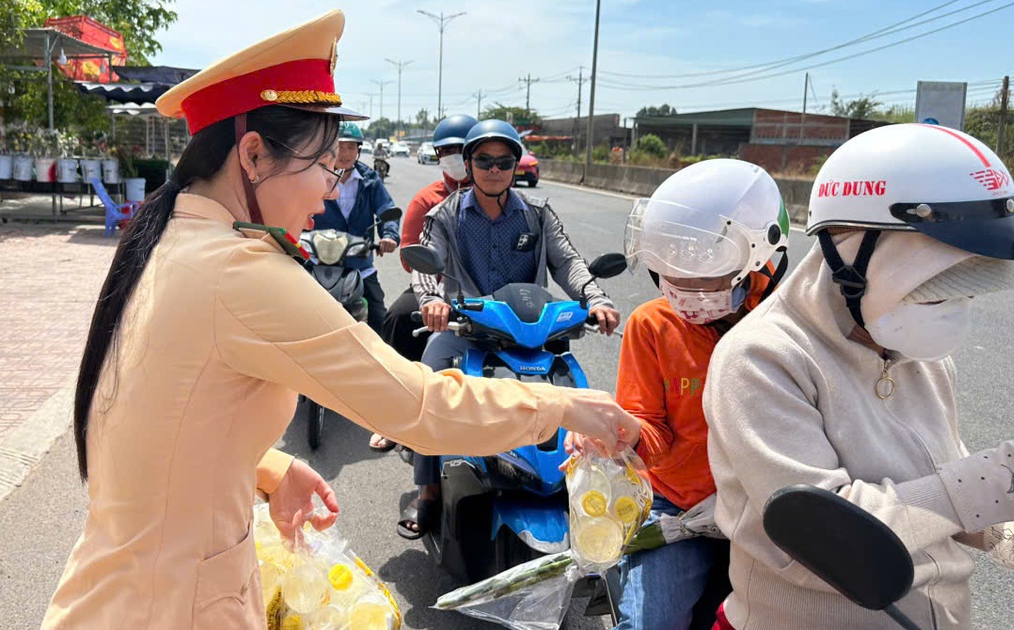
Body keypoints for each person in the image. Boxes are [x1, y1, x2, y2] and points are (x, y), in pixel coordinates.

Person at [41, 11, 639, 629]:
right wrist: (564, 408)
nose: (329, 192)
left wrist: (268, 468)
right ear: (252, 154)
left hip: (124, 591)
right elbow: (419, 408)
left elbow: (166, 425)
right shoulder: (239, 271)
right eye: (325, 165)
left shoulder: (175, 240)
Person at [703, 124, 1014, 630]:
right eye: (937, 284)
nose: (951, 308)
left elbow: (943, 485)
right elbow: (830, 537)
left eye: (969, 286)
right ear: (847, 252)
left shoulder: (919, 351)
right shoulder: (760, 359)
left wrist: (1004, 532)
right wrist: (1006, 476)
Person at [567, 159, 790, 630]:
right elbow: (653, 434)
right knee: (651, 622)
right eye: (672, 279)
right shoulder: (653, 325)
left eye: (704, 280)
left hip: (772, 516)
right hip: (681, 510)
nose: (686, 294)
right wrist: (624, 435)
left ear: (761, 262)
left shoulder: (793, 329)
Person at [397, 119, 623, 539]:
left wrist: (597, 300)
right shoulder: (444, 214)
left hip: (530, 334)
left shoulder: (537, 216)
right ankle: (427, 490)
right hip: (466, 329)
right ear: (468, 163)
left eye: (504, 161)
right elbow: (427, 263)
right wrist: (432, 301)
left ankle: (581, 485)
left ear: (516, 166)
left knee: (573, 387)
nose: (493, 169)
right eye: (484, 160)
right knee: (428, 384)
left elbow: (569, 263)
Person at [370, 113, 478, 453]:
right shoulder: (427, 200)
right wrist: (433, 288)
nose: (455, 157)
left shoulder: (499, 195)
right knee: (398, 319)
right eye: (447, 150)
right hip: (438, 287)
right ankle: (395, 417)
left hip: (490, 291)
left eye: (462, 149)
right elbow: (409, 256)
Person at [312, 120, 399, 334]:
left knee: (381, 318)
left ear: (359, 151)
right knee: (296, 311)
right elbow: (295, 206)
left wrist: (389, 236)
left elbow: (387, 209)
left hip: (360, 265)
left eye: (352, 147)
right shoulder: (314, 176)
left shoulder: (370, 180)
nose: (345, 153)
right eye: (340, 146)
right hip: (317, 263)